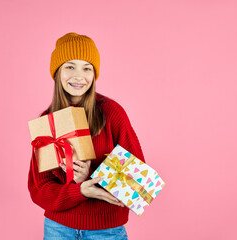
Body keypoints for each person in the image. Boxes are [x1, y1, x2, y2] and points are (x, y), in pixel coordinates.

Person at [27, 32, 145, 240]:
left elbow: (138, 185)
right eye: (69, 66)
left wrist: (92, 175)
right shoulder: (47, 121)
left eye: (87, 68)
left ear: (94, 73)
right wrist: (79, 190)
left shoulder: (112, 112)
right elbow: (39, 190)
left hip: (106, 231)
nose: (78, 76)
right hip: (58, 228)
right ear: (57, 72)